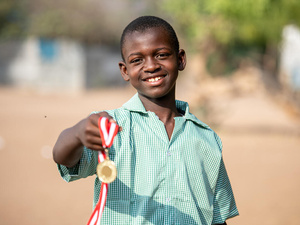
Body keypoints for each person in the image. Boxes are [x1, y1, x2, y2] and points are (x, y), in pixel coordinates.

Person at [53, 15, 239, 225]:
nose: (151, 66)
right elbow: (63, 157)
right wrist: (77, 133)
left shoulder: (206, 139)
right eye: (137, 60)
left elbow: (217, 217)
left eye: (161, 55)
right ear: (125, 71)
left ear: (180, 60)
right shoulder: (109, 129)